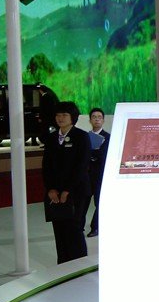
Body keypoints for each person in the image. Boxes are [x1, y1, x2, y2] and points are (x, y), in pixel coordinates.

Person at [42, 101, 91, 264]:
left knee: (74, 228)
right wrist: (50, 189)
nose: (60, 118)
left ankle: (79, 266)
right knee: (59, 229)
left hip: (76, 191)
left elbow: (81, 166)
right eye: (58, 115)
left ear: (72, 117)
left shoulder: (81, 136)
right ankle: (62, 265)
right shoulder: (51, 138)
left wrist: (67, 190)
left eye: (64, 115)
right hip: (55, 193)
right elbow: (46, 166)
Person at [84, 108, 110, 238]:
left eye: (99, 117)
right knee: (83, 201)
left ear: (103, 120)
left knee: (99, 202)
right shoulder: (85, 137)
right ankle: (79, 225)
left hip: (101, 174)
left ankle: (95, 227)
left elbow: (105, 155)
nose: (97, 119)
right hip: (87, 174)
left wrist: (94, 152)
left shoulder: (108, 137)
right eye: (94, 117)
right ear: (90, 120)